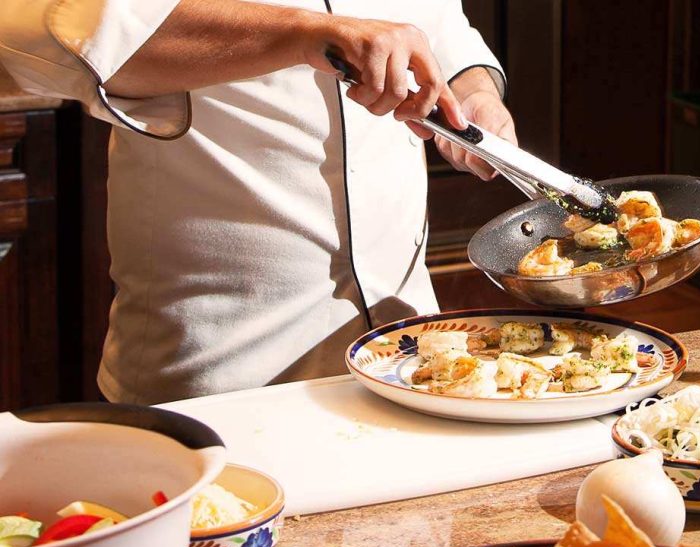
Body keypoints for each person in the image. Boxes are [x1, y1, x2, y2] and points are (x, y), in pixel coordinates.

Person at [0, 0, 516, 405]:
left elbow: (440, 22)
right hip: (225, 369)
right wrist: (303, 33)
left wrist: (475, 91)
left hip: (408, 352)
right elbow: (65, 29)